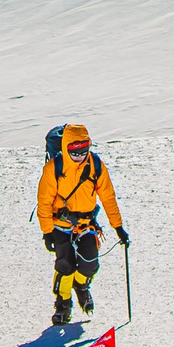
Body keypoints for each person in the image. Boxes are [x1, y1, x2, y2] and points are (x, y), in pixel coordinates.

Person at [36, 122, 127, 325]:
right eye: (74, 152)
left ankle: (81, 286)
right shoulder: (54, 168)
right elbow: (44, 201)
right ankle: (63, 304)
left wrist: (118, 227)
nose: (79, 156)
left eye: (83, 151)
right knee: (65, 265)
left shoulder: (95, 165)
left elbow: (108, 197)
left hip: (87, 224)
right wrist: (47, 231)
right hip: (59, 225)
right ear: (66, 148)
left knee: (90, 263)